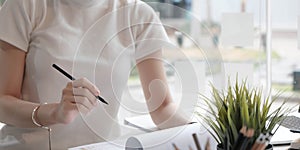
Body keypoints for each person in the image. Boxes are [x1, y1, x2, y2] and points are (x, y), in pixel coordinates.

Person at [0, 0, 190, 149]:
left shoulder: (138, 15)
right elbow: (3, 102)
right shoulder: (26, 5)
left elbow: (162, 107)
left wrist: (204, 129)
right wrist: (54, 113)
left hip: (103, 146)